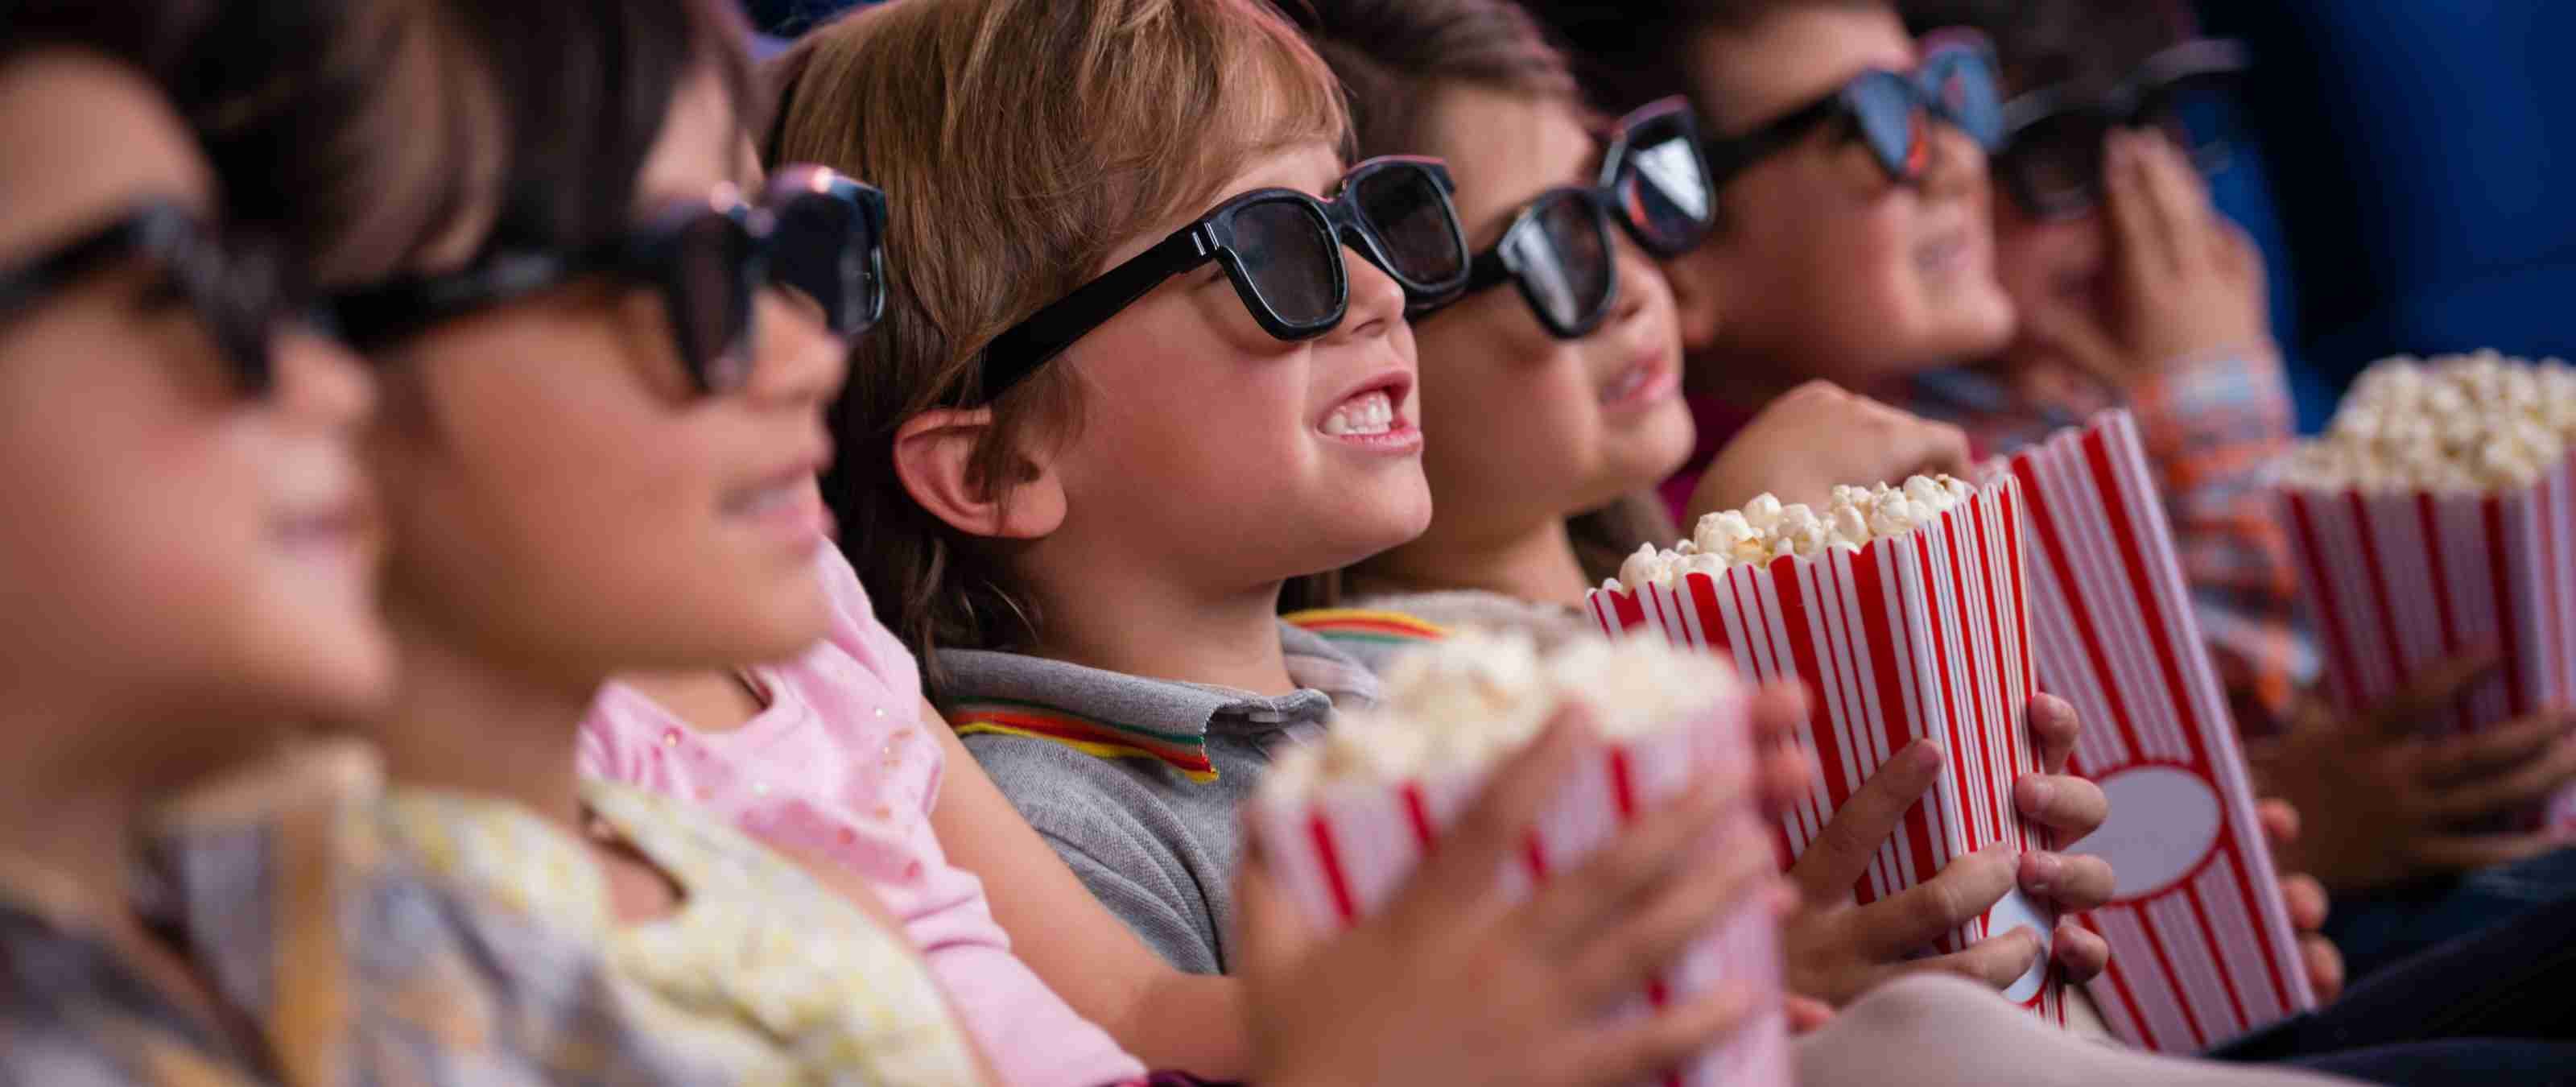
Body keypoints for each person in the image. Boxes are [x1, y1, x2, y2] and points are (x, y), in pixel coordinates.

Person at [1288, 0, 2126, 1011]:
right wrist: (1722, 592)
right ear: (1374, 332)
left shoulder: (1615, 584)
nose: (1644, 286)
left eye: (1624, 206)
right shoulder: (1395, 722)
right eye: (1555, 248)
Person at [1893, 0, 2576, 980]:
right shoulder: (1959, 459)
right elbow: (2226, 708)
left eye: (2171, 128)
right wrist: (2211, 401)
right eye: (2059, 159)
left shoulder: (2139, 361)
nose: (2144, 207)